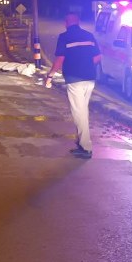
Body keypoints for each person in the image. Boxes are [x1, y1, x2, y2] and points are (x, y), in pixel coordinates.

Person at [46, 13, 102, 159]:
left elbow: (60, 59)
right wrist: (86, 65)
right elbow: (97, 57)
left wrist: (50, 75)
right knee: (83, 110)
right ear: (78, 22)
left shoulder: (64, 37)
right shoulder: (89, 35)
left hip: (74, 78)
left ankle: (85, 147)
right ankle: (81, 142)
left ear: (66, 23)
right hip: (89, 78)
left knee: (79, 113)